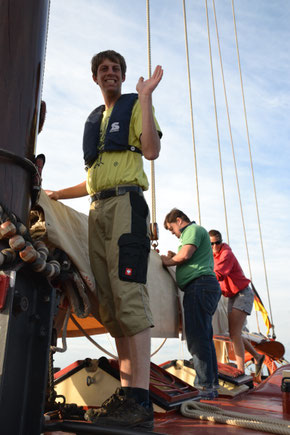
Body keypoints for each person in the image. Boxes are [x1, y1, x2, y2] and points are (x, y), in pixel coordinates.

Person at [46, 50, 163, 431]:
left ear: (123, 77)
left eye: (115, 69)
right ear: (96, 77)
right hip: (99, 210)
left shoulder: (133, 106)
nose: (109, 73)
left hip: (127, 205)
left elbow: (150, 150)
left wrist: (145, 98)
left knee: (128, 293)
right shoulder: (95, 122)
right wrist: (57, 196)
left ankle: (140, 400)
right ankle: (128, 397)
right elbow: (93, 179)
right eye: (103, 69)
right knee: (110, 305)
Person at [161, 209, 221, 399]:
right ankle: (211, 385)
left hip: (199, 287)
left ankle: (204, 387)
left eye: (172, 229)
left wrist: (167, 261)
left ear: (179, 221)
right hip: (204, 287)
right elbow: (186, 256)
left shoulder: (192, 230)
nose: (174, 234)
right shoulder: (194, 233)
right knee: (204, 337)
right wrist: (175, 256)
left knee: (196, 338)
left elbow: (185, 255)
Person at [209, 229, 265, 376]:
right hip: (231, 296)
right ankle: (258, 357)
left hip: (243, 293)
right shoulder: (211, 255)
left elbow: (219, 274)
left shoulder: (226, 254)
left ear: (221, 242)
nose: (214, 246)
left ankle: (241, 372)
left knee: (234, 333)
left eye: (217, 243)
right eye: (211, 244)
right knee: (235, 333)